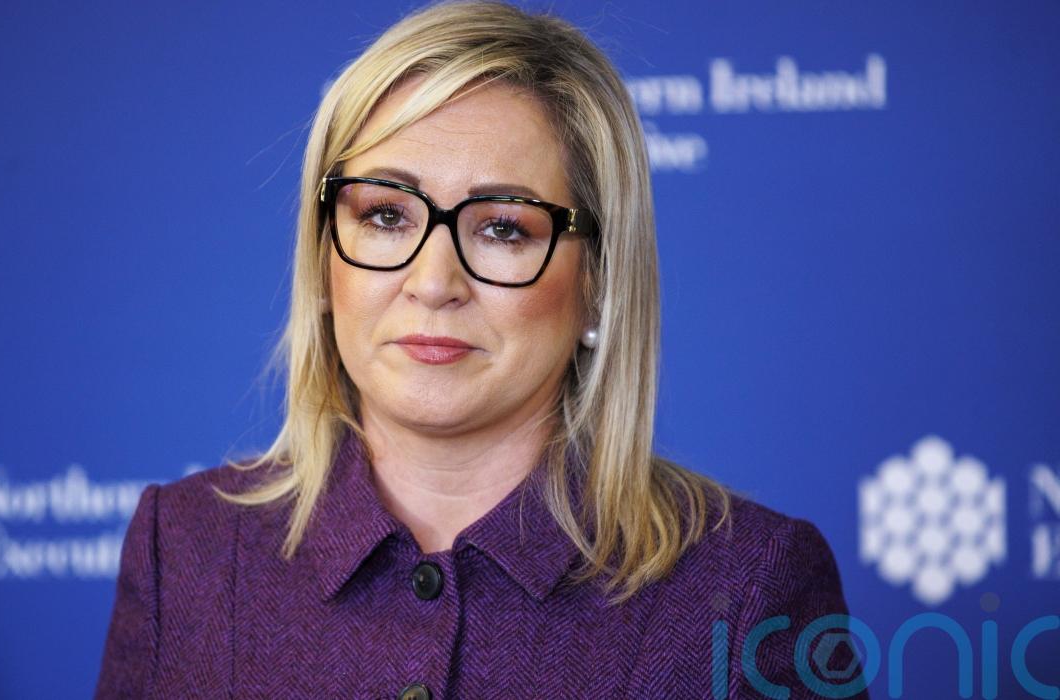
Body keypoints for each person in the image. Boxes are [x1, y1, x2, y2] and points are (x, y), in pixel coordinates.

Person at [95, 2, 867, 698]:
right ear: (323, 255)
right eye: (386, 216)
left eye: (503, 228)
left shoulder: (749, 588)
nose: (433, 283)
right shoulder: (185, 550)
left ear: (597, 283)